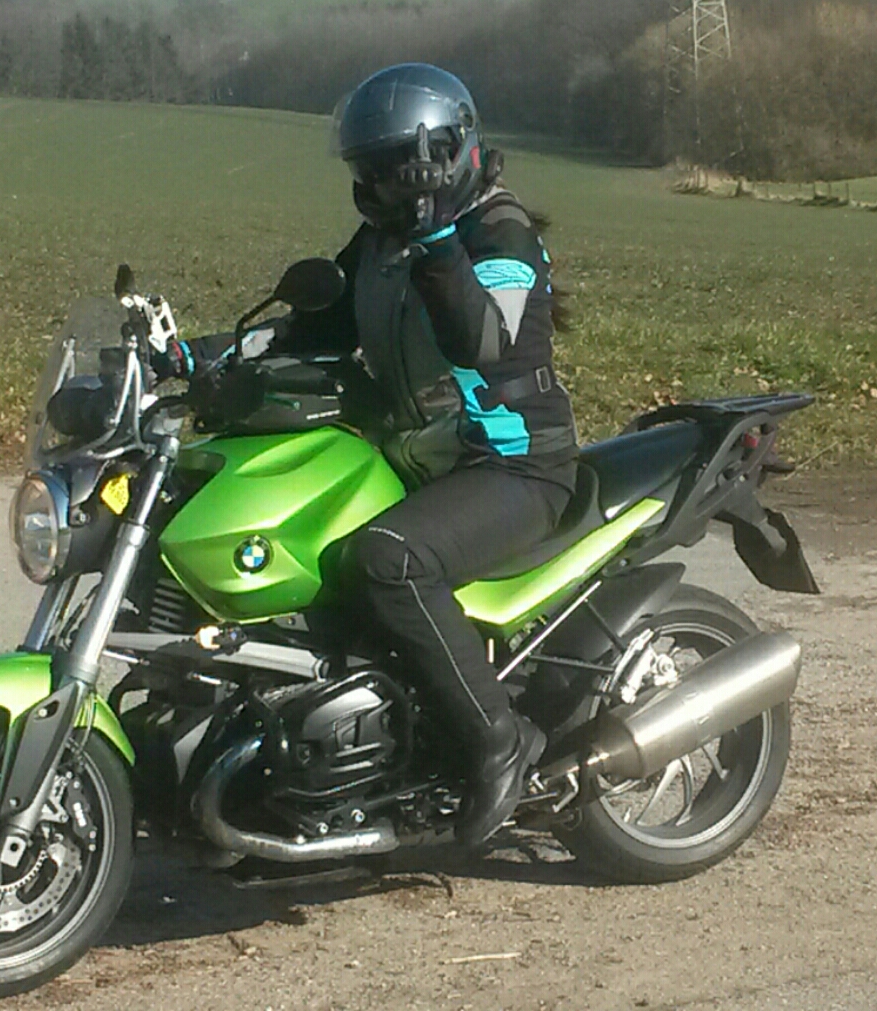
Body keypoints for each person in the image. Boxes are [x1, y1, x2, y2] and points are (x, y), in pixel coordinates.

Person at [159, 64, 579, 847]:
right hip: (422, 458)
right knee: (310, 548)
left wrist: (438, 239)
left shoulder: (500, 233)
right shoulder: (385, 241)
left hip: (514, 465)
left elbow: (481, 340)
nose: (381, 186)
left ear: (445, 155)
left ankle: (498, 738)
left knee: (390, 559)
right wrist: (199, 354)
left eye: (394, 168)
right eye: (370, 170)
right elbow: (309, 329)